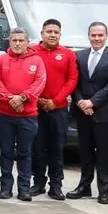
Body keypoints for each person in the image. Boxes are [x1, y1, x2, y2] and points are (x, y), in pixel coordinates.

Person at [71, 22, 108, 204]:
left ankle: (103, 190)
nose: (97, 38)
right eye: (93, 35)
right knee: (85, 153)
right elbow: (73, 82)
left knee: (103, 154)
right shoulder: (79, 56)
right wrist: (80, 102)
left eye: (100, 35)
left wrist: (92, 102)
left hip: (103, 114)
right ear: (88, 36)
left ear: (106, 36)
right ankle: (84, 187)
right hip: (82, 112)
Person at [0, 28, 45, 201]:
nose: (18, 43)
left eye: (21, 40)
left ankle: (24, 188)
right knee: (6, 152)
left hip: (28, 116)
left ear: (28, 42)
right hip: (5, 115)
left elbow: (40, 82)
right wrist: (10, 99)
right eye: (14, 40)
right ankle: (5, 188)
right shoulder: (1, 60)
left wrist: (22, 98)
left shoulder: (37, 60)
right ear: (9, 42)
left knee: (25, 152)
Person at [29, 19, 78, 200]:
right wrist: (37, 99)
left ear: (60, 34)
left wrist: (56, 100)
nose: (52, 35)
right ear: (42, 33)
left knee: (57, 148)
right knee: (38, 147)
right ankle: (39, 183)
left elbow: (72, 80)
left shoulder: (67, 54)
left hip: (58, 109)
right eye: (49, 31)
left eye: (56, 32)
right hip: (35, 108)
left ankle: (56, 186)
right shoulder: (32, 51)